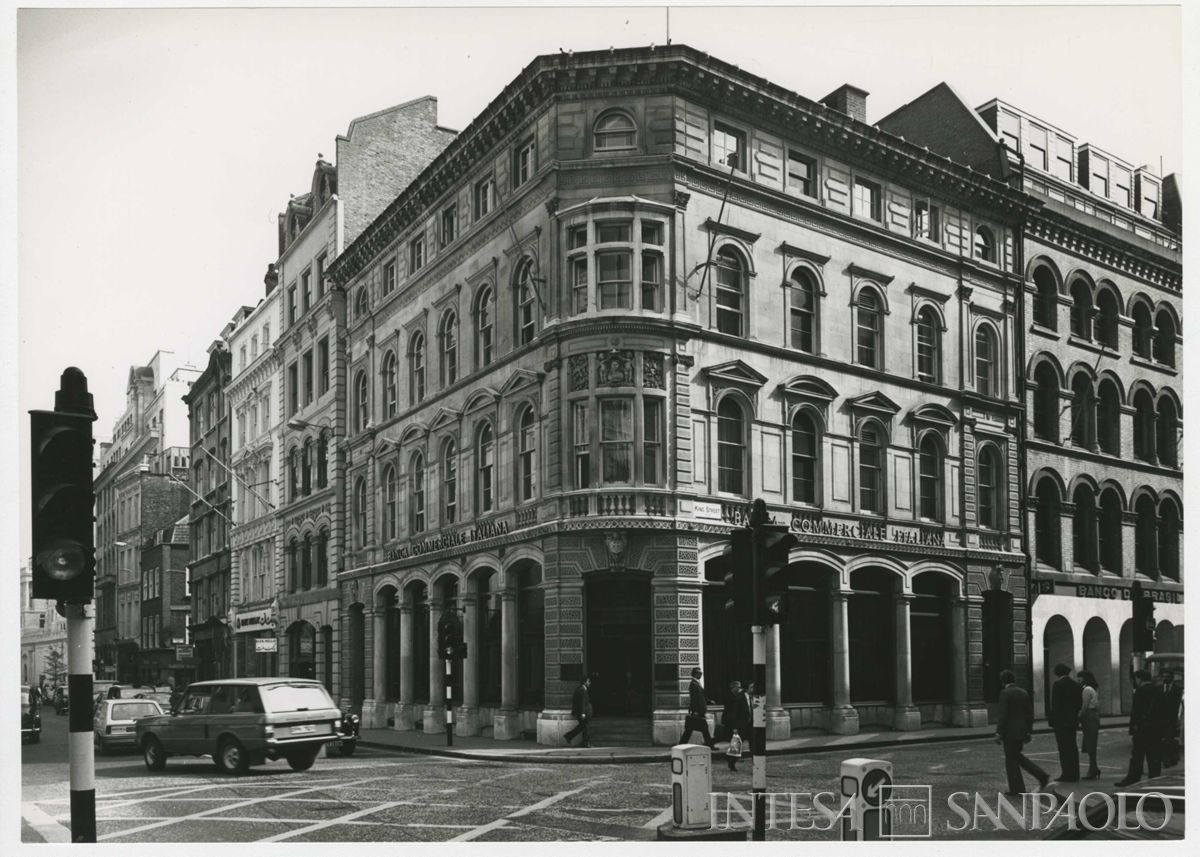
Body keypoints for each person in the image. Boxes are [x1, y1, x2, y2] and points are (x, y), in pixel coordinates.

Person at [995, 670, 1050, 796]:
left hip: (1010, 732)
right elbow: (1029, 714)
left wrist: (999, 732)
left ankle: (1018, 788)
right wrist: (1028, 731)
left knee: (1011, 760)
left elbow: (1003, 715)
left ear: (1003, 681)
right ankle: (1040, 775)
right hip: (1021, 731)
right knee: (1017, 757)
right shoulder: (1023, 692)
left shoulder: (1005, 693)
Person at [1116, 669, 1164, 787]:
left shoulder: (1140, 691)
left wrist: (1133, 728)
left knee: (1137, 756)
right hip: (1155, 729)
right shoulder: (1158, 690)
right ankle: (1154, 779)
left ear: (1139, 678)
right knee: (1154, 756)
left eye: (1135, 679)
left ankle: (1133, 778)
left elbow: (1136, 712)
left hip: (1142, 729)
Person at [1049, 663, 1082, 782]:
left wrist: (1052, 721)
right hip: (1072, 720)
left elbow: (1056, 705)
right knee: (1072, 747)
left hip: (1061, 721)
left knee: (1063, 748)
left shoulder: (1058, 685)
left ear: (1057, 673)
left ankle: (1067, 774)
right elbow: (1079, 703)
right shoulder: (1076, 685)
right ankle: (1075, 773)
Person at [678, 667, 716, 749]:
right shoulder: (693, 684)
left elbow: (702, 696)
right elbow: (694, 699)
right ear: (695, 674)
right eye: (700, 673)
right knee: (696, 729)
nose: (701, 675)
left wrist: (709, 701)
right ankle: (710, 745)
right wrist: (695, 711)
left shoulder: (697, 683)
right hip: (698, 711)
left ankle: (682, 744)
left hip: (699, 710)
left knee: (693, 729)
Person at [1077, 670, 1102, 779]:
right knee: (1090, 743)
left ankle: (1093, 770)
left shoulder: (1086, 689)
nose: (1078, 680)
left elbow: (1084, 706)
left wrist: (1078, 717)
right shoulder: (1092, 689)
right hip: (1093, 716)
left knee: (1090, 744)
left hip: (1089, 717)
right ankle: (1094, 768)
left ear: (1084, 678)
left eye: (1079, 678)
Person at [720, 681, 751, 771]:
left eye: (739, 687)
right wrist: (735, 726)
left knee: (740, 743)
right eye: (736, 687)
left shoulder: (744, 696)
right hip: (734, 722)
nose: (737, 689)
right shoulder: (734, 697)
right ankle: (731, 760)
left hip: (746, 723)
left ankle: (755, 761)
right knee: (736, 743)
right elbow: (733, 711)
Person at [1158, 668, 1183, 767]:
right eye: (1163, 677)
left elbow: (1179, 705)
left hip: (1172, 719)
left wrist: (1178, 719)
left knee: (1168, 739)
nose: (1165, 679)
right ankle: (1173, 757)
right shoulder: (1159, 688)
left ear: (1171, 678)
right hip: (1160, 719)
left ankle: (1167, 760)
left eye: (1167, 677)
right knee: (1164, 740)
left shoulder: (1178, 689)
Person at [563, 675, 593, 747]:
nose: (590, 683)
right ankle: (586, 744)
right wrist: (583, 713)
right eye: (588, 681)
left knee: (582, 727)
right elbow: (582, 702)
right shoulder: (581, 690)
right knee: (586, 727)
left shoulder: (581, 689)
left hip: (583, 712)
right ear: (584, 682)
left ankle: (568, 736)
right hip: (583, 713)